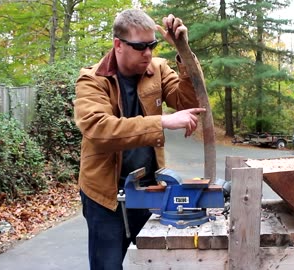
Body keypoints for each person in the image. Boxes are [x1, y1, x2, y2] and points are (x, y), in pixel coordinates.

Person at [73, 8, 205, 270]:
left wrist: (184, 51)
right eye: (140, 46)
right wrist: (162, 121)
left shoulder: (157, 69)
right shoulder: (92, 79)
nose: (148, 53)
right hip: (105, 194)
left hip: (148, 190)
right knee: (107, 265)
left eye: (152, 45)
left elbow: (190, 101)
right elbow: (99, 130)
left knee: (152, 262)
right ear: (118, 45)